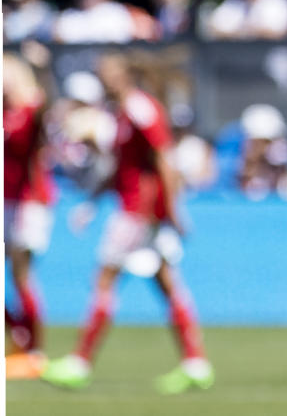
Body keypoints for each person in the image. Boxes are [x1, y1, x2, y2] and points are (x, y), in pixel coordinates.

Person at [41, 53, 214, 394]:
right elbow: (122, 168)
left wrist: (172, 209)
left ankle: (80, 362)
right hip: (140, 208)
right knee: (167, 284)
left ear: (123, 75)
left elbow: (163, 158)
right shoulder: (122, 113)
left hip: (139, 211)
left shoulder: (140, 109)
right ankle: (196, 363)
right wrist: (92, 203)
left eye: (106, 72)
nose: (101, 78)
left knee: (104, 280)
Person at [3, 53, 57, 379]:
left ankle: (34, 350)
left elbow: (46, 105)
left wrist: (43, 68)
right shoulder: (6, 114)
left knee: (21, 275)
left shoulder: (30, 112)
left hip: (30, 202)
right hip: (7, 201)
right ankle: (20, 338)